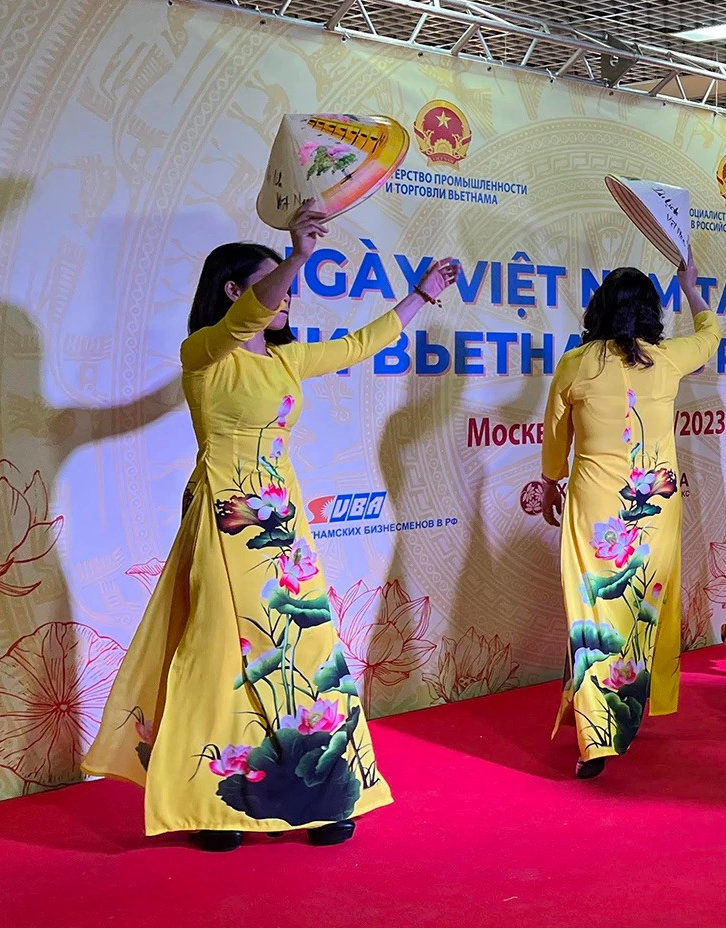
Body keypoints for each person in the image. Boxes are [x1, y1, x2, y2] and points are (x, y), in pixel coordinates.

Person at [84, 215, 458, 849]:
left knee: (307, 649)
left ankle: (327, 794)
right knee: (220, 655)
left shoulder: (286, 360)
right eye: (276, 283)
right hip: (224, 521)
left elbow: (360, 344)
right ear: (236, 291)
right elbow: (245, 320)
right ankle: (214, 806)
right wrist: (298, 254)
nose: (290, 295)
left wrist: (421, 294)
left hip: (283, 529)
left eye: (288, 283)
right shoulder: (204, 355)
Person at [538, 258, 721, 777]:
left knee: (593, 613)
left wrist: (551, 481)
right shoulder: (665, 359)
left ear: (598, 309)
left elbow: (556, 434)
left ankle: (598, 733)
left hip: (595, 507)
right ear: (650, 313)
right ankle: (623, 710)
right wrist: (691, 287)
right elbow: (711, 333)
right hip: (655, 507)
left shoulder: (576, 363)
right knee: (643, 606)